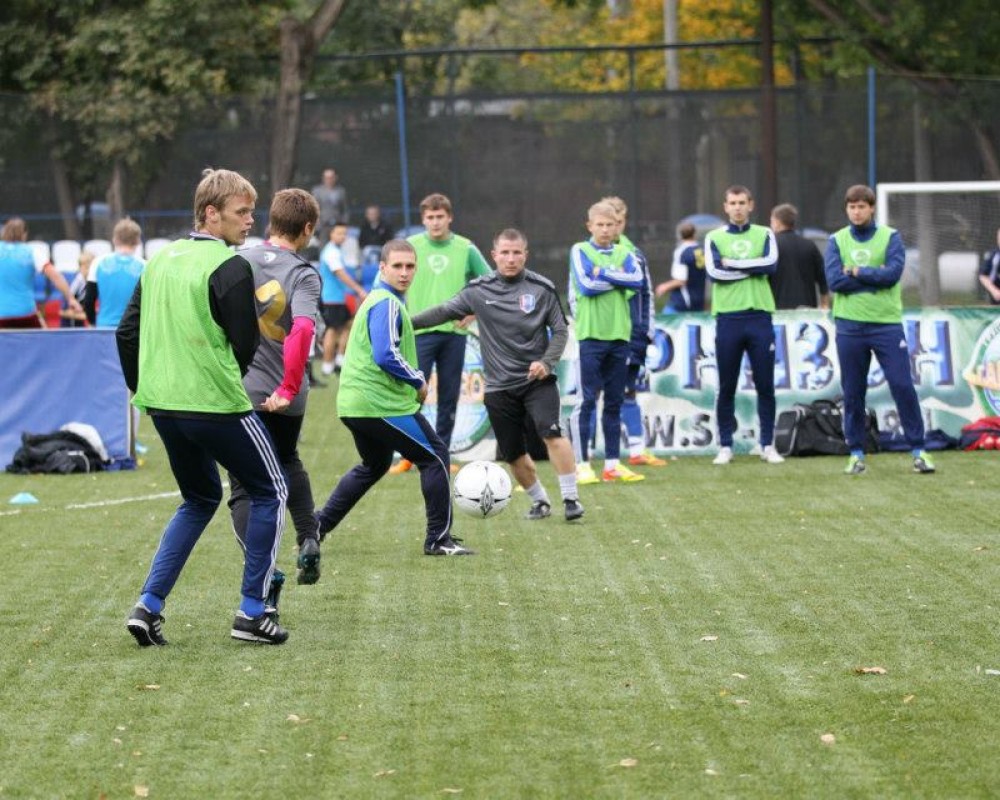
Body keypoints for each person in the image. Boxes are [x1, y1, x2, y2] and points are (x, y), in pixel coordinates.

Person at [116, 168, 290, 647]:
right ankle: (252, 612)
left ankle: (148, 605)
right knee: (271, 490)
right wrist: (221, 378)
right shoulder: (229, 265)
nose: (250, 220)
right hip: (215, 403)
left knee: (198, 499)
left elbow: (126, 333)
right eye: (242, 212)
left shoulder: (158, 260)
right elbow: (246, 343)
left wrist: (145, 387)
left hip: (163, 405)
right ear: (211, 214)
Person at [411, 228, 584, 522]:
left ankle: (571, 499)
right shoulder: (478, 290)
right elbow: (443, 311)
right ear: (494, 255)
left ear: (525, 255)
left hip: (537, 382)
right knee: (513, 453)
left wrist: (546, 362)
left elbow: (560, 330)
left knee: (552, 432)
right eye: (505, 252)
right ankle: (540, 501)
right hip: (498, 387)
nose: (511, 258)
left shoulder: (541, 288)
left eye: (516, 253)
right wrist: (405, 322)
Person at [315, 239, 474, 556]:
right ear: (382, 268)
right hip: (378, 403)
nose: (404, 272)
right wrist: (417, 379)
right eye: (397, 266)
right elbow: (385, 354)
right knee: (435, 456)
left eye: (410, 266)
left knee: (373, 465)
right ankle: (438, 539)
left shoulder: (380, 299)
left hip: (355, 404)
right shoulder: (386, 302)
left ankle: (316, 525)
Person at [226, 188, 324, 620]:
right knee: (287, 458)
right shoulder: (303, 273)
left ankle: (264, 571)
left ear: (270, 221)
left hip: (242, 390)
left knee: (244, 488)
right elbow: (302, 329)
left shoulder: (238, 262)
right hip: (288, 393)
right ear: (307, 228)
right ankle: (309, 536)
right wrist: (287, 386)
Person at [824, 184, 936, 475]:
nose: (856, 212)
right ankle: (856, 453)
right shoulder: (837, 240)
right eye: (852, 207)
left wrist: (857, 271)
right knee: (853, 392)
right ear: (847, 209)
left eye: (861, 206)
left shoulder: (890, 237)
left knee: (902, 385)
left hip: (886, 325)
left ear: (871, 208)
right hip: (849, 325)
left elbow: (892, 275)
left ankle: (919, 450)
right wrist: (873, 277)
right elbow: (835, 282)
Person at [389, 193, 492, 475]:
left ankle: (441, 456)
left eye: (440, 217)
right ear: (423, 220)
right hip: (417, 332)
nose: (435, 222)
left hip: (453, 334)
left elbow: (490, 283)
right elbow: (387, 280)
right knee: (412, 394)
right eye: (430, 217)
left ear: (450, 218)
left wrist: (472, 312)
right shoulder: (411, 246)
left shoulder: (465, 248)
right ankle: (408, 456)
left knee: (448, 397)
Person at [567, 200, 647, 484]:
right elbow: (586, 285)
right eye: (599, 224)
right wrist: (618, 278)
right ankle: (582, 464)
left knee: (614, 402)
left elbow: (637, 280)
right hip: (590, 336)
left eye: (609, 225)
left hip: (619, 336)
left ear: (617, 227)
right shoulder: (580, 250)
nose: (604, 229)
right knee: (587, 401)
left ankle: (612, 464)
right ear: (589, 226)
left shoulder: (626, 253)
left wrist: (602, 272)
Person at [704, 184, 784, 465]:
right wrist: (752, 267)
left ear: (751, 205)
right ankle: (725, 445)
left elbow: (770, 266)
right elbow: (715, 273)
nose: (737, 207)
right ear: (725, 207)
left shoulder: (765, 234)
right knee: (727, 385)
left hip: (759, 316)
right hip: (728, 318)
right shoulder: (714, 237)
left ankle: (767, 444)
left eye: (742, 202)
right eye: (733, 203)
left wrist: (734, 264)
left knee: (765, 384)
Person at [603, 196, 666, 468]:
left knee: (628, 390)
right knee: (593, 395)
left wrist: (646, 331)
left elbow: (646, 293)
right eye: (608, 222)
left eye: (618, 221)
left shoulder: (634, 254)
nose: (613, 227)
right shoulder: (586, 253)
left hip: (631, 335)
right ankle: (588, 457)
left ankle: (637, 450)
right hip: (599, 334)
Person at [0, 217, 82, 328]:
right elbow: (55, 276)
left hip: (1, 316)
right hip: (26, 314)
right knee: (42, 335)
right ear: (24, 234)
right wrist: (71, 299)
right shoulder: (32, 251)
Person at [318, 222, 367, 376]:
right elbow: (340, 273)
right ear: (331, 234)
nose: (342, 236)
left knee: (348, 325)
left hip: (340, 297)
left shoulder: (336, 251)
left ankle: (340, 360)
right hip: (331, 298)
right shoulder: (331, 252)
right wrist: (358, 289)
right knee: (332, 330)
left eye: (344, 233)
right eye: (339, 233)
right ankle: (327, 366)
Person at [83, 217, 145, 327]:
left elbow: (89, 300)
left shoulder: (98, 263)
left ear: (115, 239)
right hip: (134, 329)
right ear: (138, 241)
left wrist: (92, 322)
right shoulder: (144, 266)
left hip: (104, 327)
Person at [768, 203, 829, 309]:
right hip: (807, 310)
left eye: (771, 221)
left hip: (777, 310)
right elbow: (823, 279)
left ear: (777, 222)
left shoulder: (771, 246)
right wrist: (825, 305)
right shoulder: (809, 245)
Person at [655, 222, 707, 312]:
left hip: (682, 301)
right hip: (699, 299)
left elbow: (681, 280)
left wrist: (664, 286)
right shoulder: (701, 250)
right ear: (694, 234)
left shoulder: (682, 252)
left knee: (665, 320)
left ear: (680, 236)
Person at [311, 168, 349, 245]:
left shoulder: (341, 191)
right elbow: (314, 209)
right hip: (323, 226)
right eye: (327, 178)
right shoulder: (317, 191)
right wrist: (317, 226)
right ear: (323, 178)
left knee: (337, 247)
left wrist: (344, 224)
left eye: (331, 177)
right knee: (324, 248)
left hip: (337, 226)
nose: (329, 180)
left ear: (335, 178)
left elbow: (344, 209)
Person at [61, 250, 93, 327]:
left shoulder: (90, 281)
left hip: (80, 319)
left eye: (91, 268)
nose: (89, 271)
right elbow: (68, 300)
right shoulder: (77, 281)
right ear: (80, 267)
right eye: (86, 267)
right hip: (70, 322)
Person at [978, 227, 1000, 304]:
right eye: (999, 237)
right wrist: (994, 291)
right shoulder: (994, 256)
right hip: (996, 304)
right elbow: (983, 276)